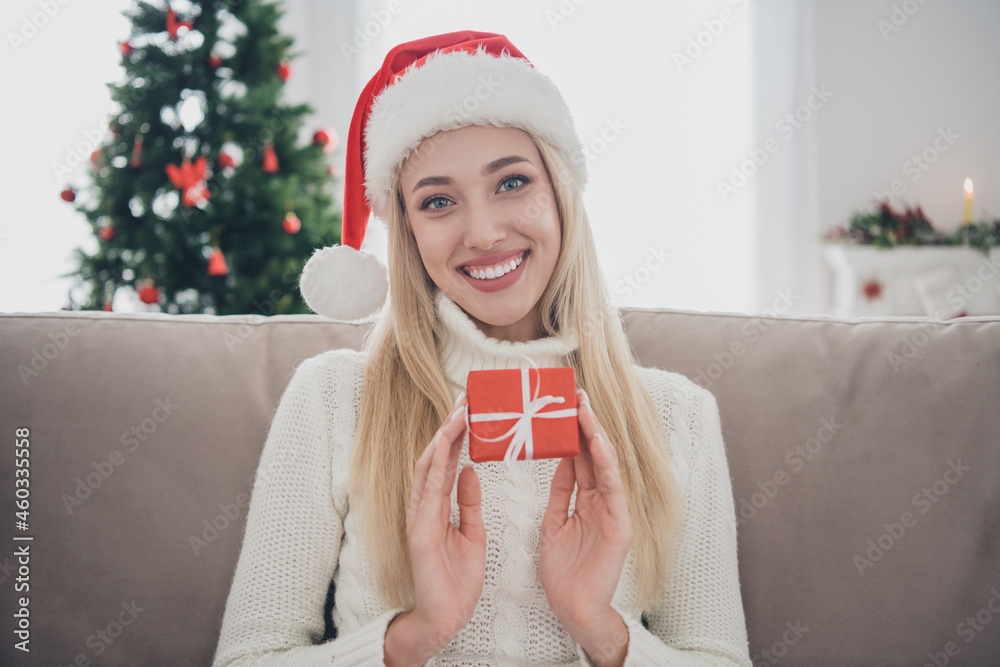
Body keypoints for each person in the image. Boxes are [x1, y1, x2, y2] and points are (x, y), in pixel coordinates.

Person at [212, 30, 752, 667]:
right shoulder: (334, 400)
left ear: (561, 196)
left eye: (512, 183)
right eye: (437, 201)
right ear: (407, 230)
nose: (484, 232)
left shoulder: (678, 418)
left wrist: (603, 632)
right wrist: (413, 636)